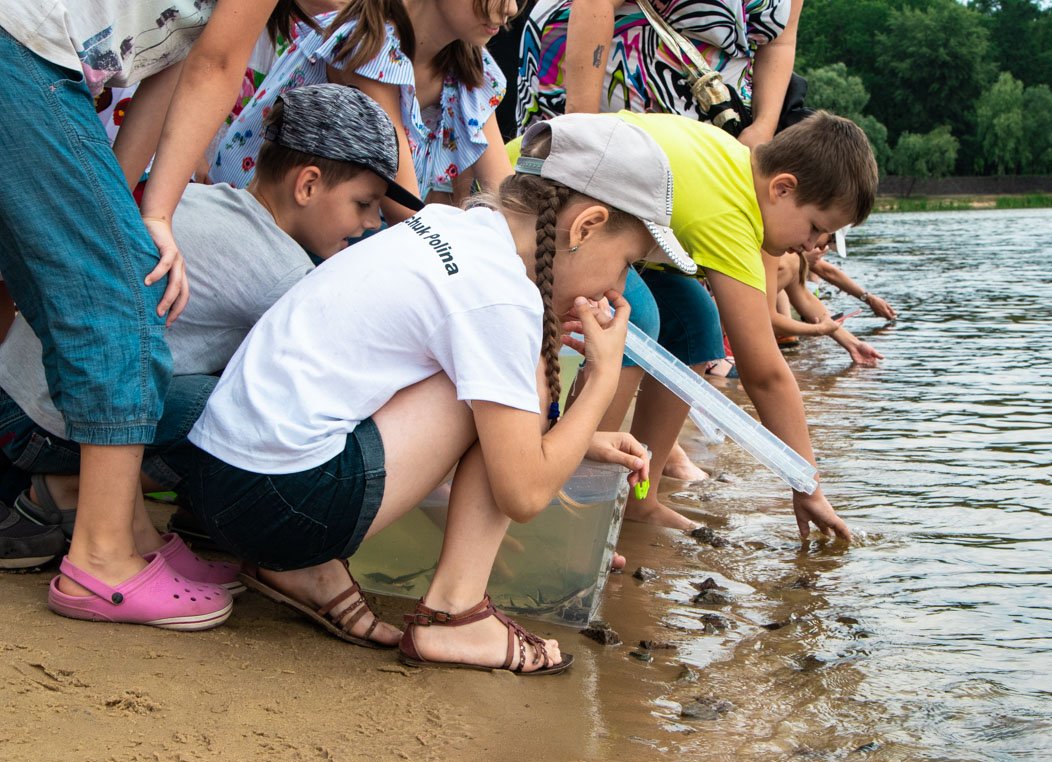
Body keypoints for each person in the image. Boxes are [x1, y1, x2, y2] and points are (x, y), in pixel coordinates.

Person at [160, 113, 682, 671]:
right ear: (585, 226)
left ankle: (299, 565)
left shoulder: (449, 227)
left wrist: (572, 439)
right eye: (627, 263)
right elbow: (524, 492)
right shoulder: (502, 296)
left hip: (217, 486)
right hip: (285, 508)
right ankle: (457, 616)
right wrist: (602, 379)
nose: (620, 286)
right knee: (510, 374)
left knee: (496, 382)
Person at [0, 0, 317, 630]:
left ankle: (131, 536)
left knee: (109, 276)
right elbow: (217, 64)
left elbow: (166, 73)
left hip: (39, 63)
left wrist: (130, 219)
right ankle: (101, 559)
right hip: (27, 55)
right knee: (124, 295)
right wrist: (147, 225)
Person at [0, 85, 395, 585]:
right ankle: (70, 489)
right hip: (47, 422)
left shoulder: (204, 200)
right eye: (364, 203)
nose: (369, 224)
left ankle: (83, 492)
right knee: (244, 406)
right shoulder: (279, 269)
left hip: (18, 396)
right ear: (309, 185)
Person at [595, 110, 877, 538]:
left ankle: (639, 500)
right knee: (637, 319)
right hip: (542, 213)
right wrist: (807, 486)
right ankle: (582, 490)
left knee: (695, 322)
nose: (813, 245)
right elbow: (765, 374)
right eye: (817, 227)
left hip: (601, 222)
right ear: (782, 188)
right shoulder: (733, 217)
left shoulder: (736, 163)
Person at [211, 0, 515, 219]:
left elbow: (506, 198)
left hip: (335, 240)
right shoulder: (367, 46)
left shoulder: (471, 70)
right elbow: (404, 207)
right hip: (256, 226)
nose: (511, 8)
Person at [516, 0, 801, 148]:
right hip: (598, 80)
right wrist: (582, 125)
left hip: (719, 117)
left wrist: (763, 127)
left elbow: (781, 40)